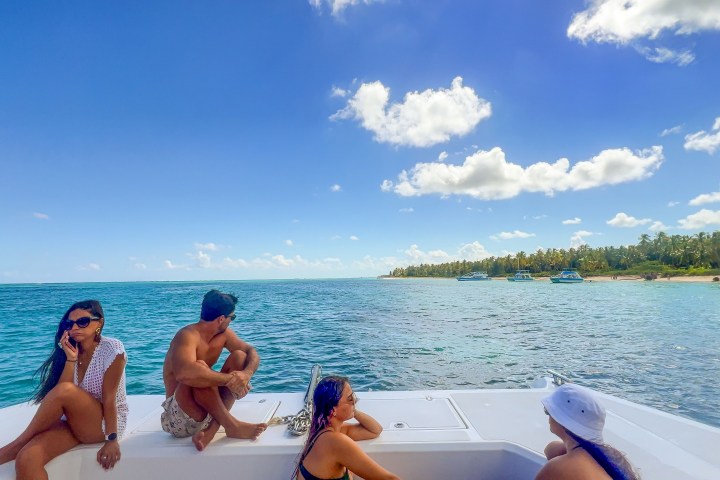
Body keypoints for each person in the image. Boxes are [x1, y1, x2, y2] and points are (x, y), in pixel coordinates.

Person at [0, 300, 128, 478]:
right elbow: (60, 394)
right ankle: (19, 449)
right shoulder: (71, 352)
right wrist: (71, 359)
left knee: (65, 390)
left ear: (99, 323)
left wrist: (112, 439)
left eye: (82, 322)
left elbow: (109, 399)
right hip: (74, 422)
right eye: (69, 324)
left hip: (103, 424)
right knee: (28, 458)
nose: (75, 327)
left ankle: (14, 446)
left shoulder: (112, 349)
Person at [162, 289, 267, 451]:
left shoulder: (224, 335)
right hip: (179, 419)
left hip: (208, 413)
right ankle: (232, 425)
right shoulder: (187, 336)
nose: (232, 321)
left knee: (239, 356)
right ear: (221, 319)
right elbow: (184, 374)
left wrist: (245, 375)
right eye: (232, 317)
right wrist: (231, 381)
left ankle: (212, 430)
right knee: (200, 368)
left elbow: (251, 352)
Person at [294, 376, 400, 480]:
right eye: (350, 399)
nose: (355, 401)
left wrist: (352, 410)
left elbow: (375, 430)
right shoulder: (336, 441)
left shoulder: (324, 430)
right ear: (333, 410)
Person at [536, 384, 640, 480]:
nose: (548, 416)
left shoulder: (558, 468)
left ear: (561, 420)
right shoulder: (611, 456)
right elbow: (551, 449)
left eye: (547, 411)